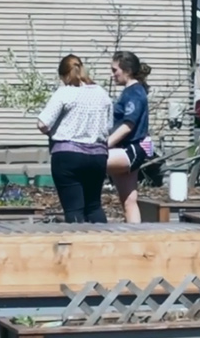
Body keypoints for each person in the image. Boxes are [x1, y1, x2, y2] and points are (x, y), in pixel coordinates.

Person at [36, 54, 113, 223]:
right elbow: (108, 126)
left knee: (74, 208)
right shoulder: (101, 93)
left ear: (64, 75)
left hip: (68, 155)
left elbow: (43, 123)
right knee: (94, 206)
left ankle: (79, 244)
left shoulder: (65, 93)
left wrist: (52, 132)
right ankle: (102, 243)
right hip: (98, 156)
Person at [106, 51, 154, 223]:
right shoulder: (130, 91)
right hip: (126, 148)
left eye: (114, 70)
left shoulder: (134, 93)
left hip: (131, 149)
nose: (112, 75)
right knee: (128, 201)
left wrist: (104, 145)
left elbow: (128, 125)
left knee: (90, 160)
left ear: (127, 70)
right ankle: (135, 237)